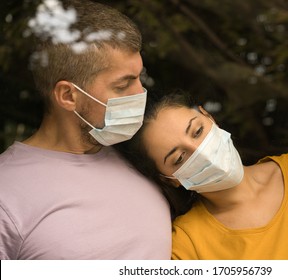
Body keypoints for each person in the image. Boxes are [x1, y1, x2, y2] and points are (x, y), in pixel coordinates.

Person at [0, 0, 171, 259]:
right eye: (123, 85)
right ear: (68, 95)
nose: (141, 94)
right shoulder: (7, 193)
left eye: (139, 77)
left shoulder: (141, 154)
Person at [115, 93, 288, 260]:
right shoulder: (187, 245)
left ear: (209, 117)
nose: (200, 151)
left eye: (197, 131)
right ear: (170, 179)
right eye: (179, 158)